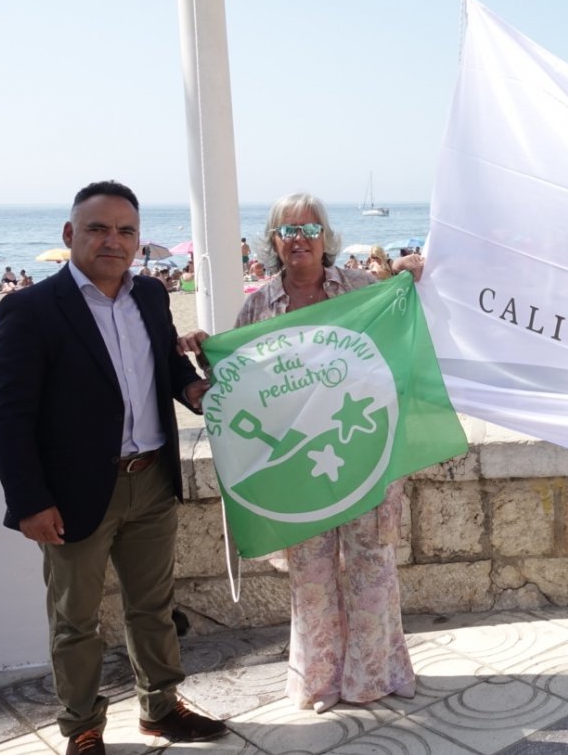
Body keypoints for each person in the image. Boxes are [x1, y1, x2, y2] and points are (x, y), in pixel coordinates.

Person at [0, 181, 226, 755]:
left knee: (153, 607)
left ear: (138, 241)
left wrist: (196, 389)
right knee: (75, 620)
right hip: (72, 495)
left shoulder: (149, 296)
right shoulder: (30, 310)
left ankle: (161, 708)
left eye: (125, 230)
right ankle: (82, 727)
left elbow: (166, 372)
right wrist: (29, 502)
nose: (112, 241)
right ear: (70, 235)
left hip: (152, 480)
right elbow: (8, 415)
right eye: (97, 228)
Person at [179, 192, 424, 713]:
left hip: (361, 452)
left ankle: (374, 676)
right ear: (273, 241)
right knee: (311, 578)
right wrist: (206, 352)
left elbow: (399, 340)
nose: (299, 240)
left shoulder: (359, 289)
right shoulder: (257, 305)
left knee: (371, 569)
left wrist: (413, 274)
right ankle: (318, 682)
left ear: (326, 237)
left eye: (310, 229)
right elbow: (241, 383)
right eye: (287, 231)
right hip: (299, 465)